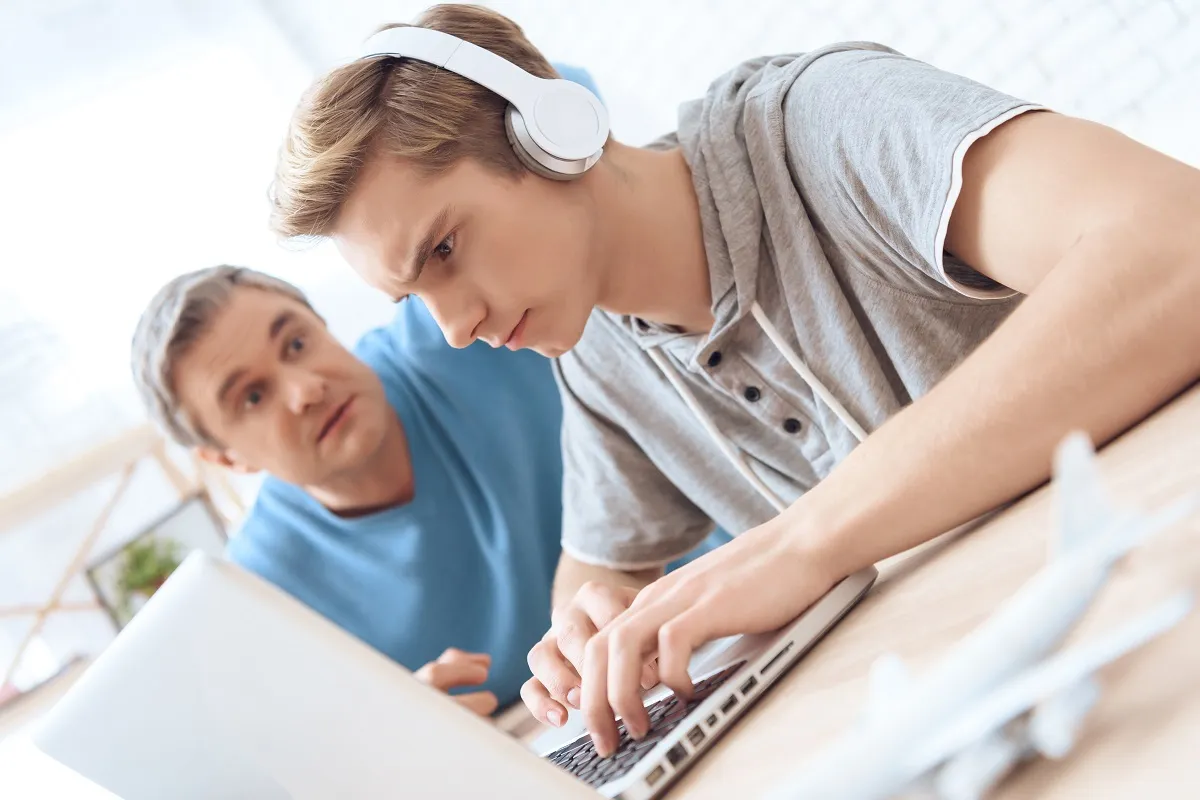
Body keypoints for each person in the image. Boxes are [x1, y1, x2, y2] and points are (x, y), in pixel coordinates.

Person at [267, 3, 1200, 754]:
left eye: (444, 248)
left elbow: (1177, 243)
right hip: (1030, 685)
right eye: (414, 297)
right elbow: (602, 566)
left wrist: (809, 542)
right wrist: (583, 629)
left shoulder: (821, 121)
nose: (457, 327)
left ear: (554, 132)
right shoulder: (591, 344)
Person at [130, 266, 728, 715]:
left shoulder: (465, 330)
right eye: (253, 397)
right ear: (224, 457)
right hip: (558, 745)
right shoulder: (261, 589)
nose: (305, 389)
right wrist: (396, 729)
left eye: (296, 343)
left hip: (720, 629)